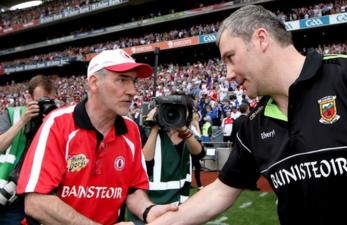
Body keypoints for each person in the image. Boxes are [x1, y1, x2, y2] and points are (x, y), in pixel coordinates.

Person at [148, 5, 347, 225]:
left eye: (230, 58)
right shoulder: (254, 125)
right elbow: (219, 193)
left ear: (261, 39)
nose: (227, 74)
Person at [16, 49, 177, 225]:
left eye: (133, 81)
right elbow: (36, 203)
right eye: (122, 80)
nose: (133, 91)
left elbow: (132, 190)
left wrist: (148, 211)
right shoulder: (58, 123)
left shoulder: (131, 129)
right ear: (94, 82)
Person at [128, 94, 205, 224]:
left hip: (178, 208)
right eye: (169, 108)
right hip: (150, 207)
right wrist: (154, 128)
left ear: (187, 113)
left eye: (180, 109)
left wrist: (183, 129)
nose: (173, 112)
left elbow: (199, 154)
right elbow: (145, 162)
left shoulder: (188, 135)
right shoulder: (147, 132)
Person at [0, 75, 57, 225]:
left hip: (39, 196)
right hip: (10, 197)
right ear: (29, 98)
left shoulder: (56, 121)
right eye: (41, 101)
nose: (46, 105)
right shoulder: (13, 114)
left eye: (50, 101)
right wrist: (22, 121)